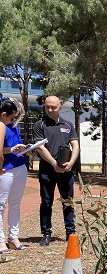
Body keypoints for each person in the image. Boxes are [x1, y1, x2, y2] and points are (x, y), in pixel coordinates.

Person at [33, 95, 79, 246]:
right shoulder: (40, 125)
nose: (50, 109)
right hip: (47, 170)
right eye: (47, 107)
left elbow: (75, 145)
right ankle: (46, 233)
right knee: (46, 202)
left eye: (53, 107)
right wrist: (54, 164)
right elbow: (40, 147)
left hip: (66, 170)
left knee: (68, 201)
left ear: (60, 107)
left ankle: (70, 232)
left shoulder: (68, 125)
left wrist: (71, 162)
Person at [0, 98, 28, 256]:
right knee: (1, 204)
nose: (14, 119)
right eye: (12, 116)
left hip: (19, 166)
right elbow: (1, 150)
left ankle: (13, 236)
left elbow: (16, 143)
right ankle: (0, 239)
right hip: (5, 169)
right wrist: (11, 149)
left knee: (15, 204)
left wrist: (24, 149)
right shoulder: (1, 125)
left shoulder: (12, 124)